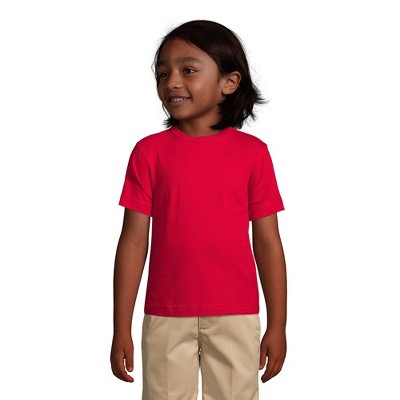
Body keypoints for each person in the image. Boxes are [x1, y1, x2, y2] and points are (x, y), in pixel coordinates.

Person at [110, 19, 287, 400]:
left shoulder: (253, 154)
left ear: (230, 82)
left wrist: (278, 324)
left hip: (236, 312)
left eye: (187, 70)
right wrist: (120, 327)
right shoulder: (149, 153)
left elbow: (268, 242)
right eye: (163, 73)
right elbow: (133, 242)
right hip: (165, 312)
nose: (172, 82)